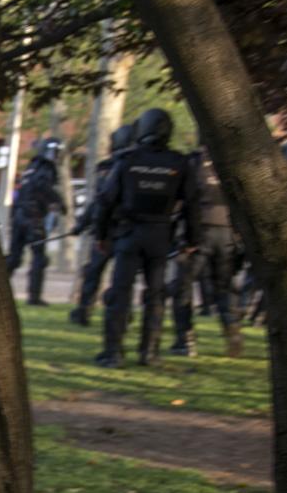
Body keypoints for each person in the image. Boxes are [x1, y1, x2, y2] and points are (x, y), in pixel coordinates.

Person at [93, 107, 201, 368]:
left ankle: (114, 352)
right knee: (155, 295)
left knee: (121, 293)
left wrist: (102, 235)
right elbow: (192, 204)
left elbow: (106, 201)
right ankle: (149, 352)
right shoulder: (179, 163)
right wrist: (190, 239)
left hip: (130, 235)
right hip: (161, 237)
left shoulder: (127, 160)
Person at [171, 149, 243, 358]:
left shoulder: (194, 163)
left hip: (200, 230)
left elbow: (186, 200)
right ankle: (232, 330)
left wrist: (188, 237)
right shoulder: (232, 161)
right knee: (224, 286)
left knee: (183, 286)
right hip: (226, 231)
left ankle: (185, 340)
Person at [67, 124, 137, 328]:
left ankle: (85, 311)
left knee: (94, 273)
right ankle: (122, 314)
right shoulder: (134, 165)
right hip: (126, 230)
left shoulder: (107, 168)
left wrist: (84, 225)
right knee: (122, 276)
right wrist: (81, 225)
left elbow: (99, 202)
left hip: (108, 230)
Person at [5, 139, 66, 306]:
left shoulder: (31, 168)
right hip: (33, 217)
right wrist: (59, 202)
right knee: (39, 257)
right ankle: (34, 296)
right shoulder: (46, 168)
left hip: (19, 216)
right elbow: (42, 186)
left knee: (14, 257)